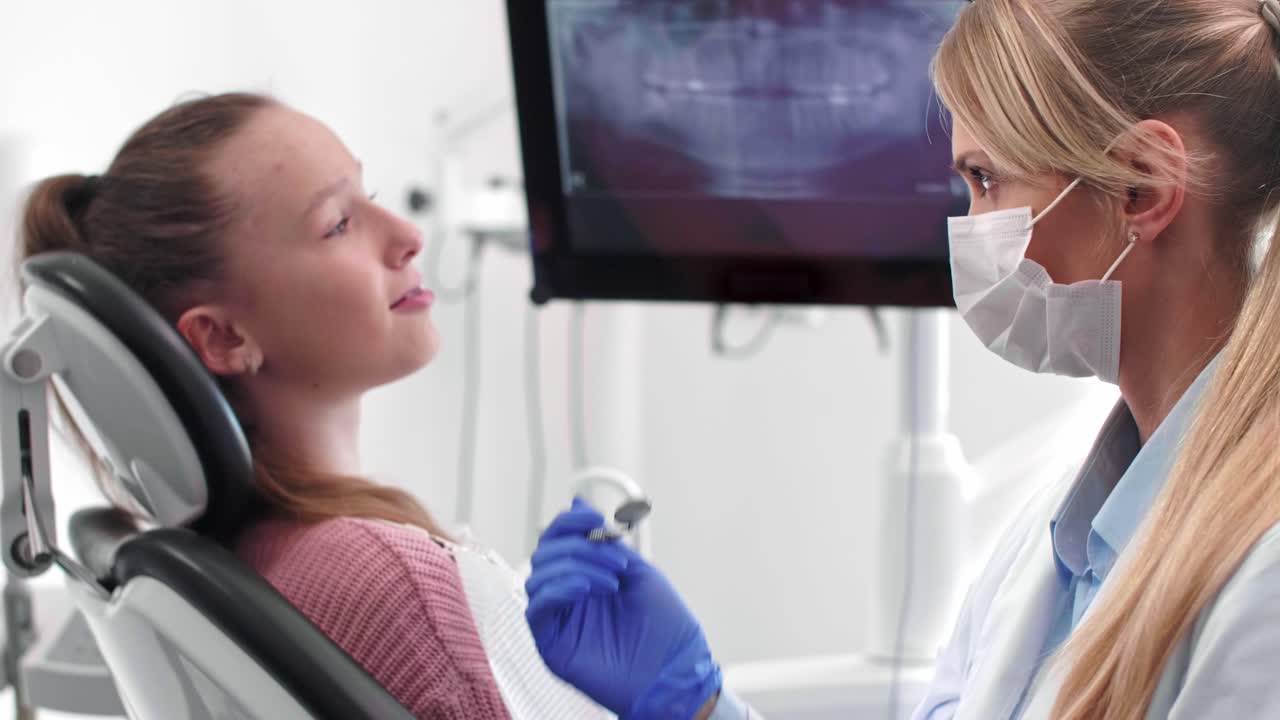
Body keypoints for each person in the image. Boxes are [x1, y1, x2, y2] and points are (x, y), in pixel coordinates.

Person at [524, 0, 1280, 717]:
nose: (967, 228)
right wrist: (700, 708)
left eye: (986, 179)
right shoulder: (1059, 539)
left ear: (1143, 187)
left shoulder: (1262, 578)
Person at [17, 92, 609, 720]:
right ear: (224, 337)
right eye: (337, 224)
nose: (409, 237)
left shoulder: (270, 558)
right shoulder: (387, 584)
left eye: (369, 196)